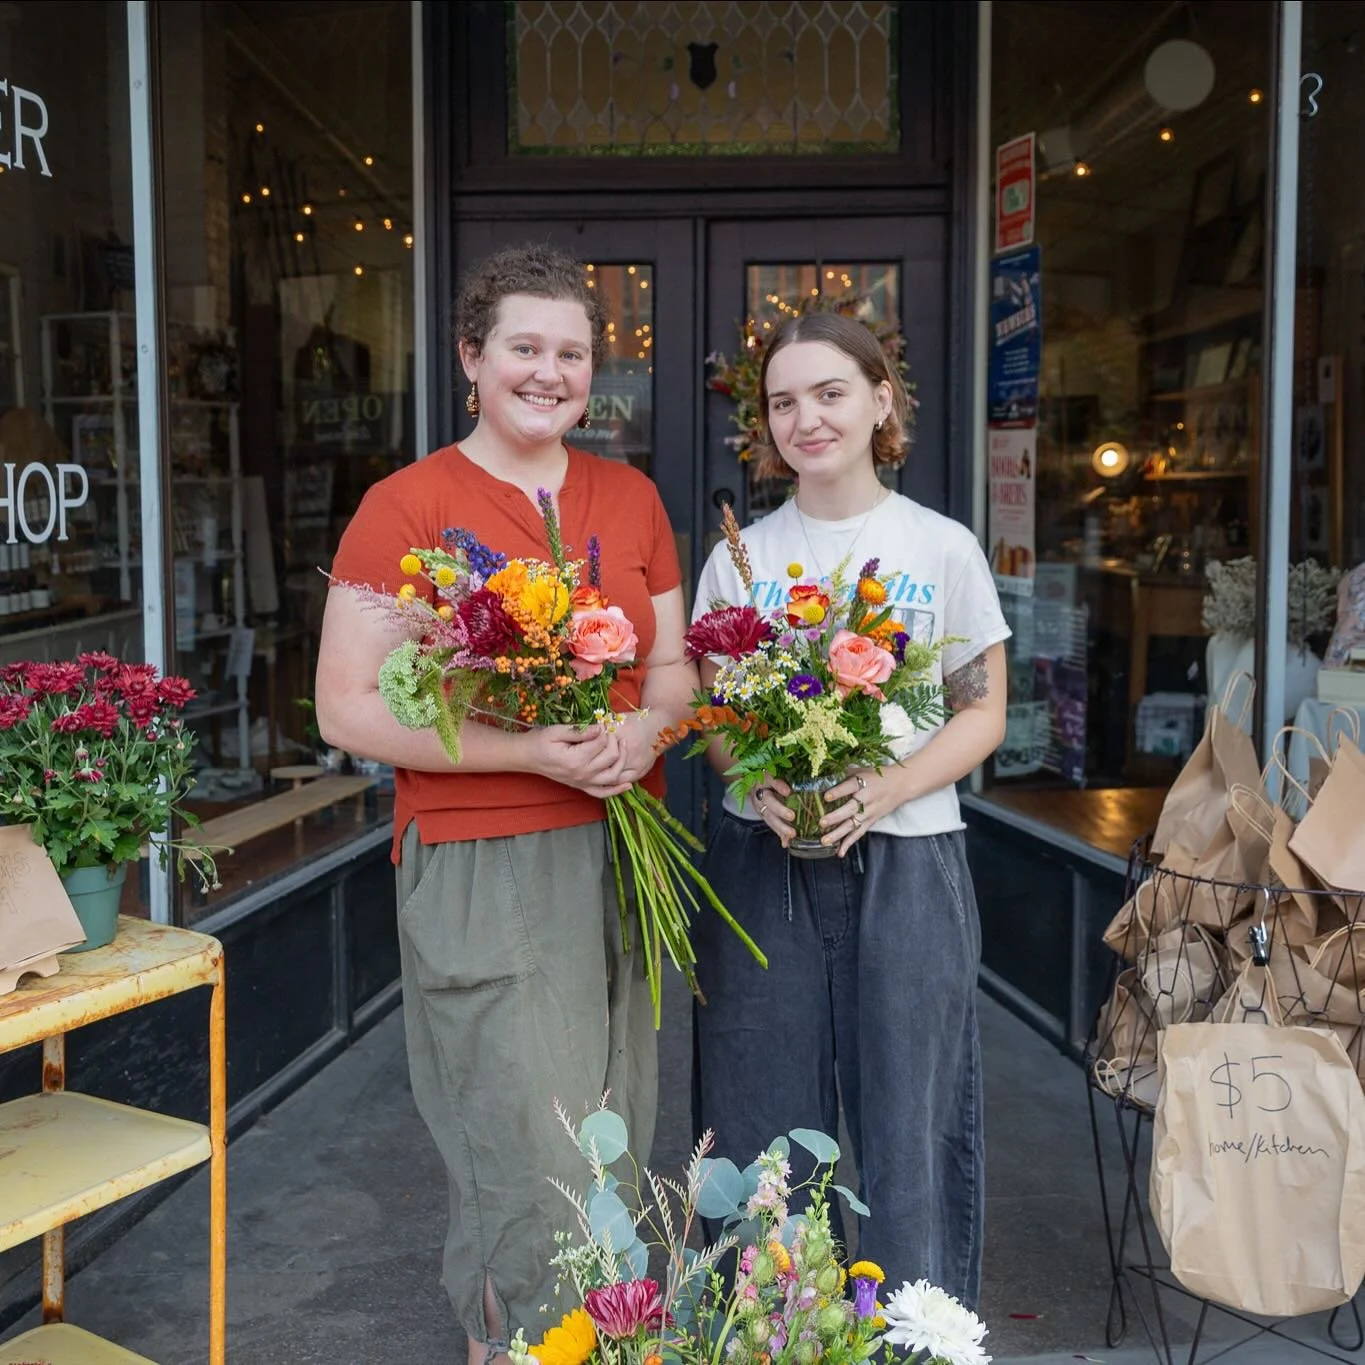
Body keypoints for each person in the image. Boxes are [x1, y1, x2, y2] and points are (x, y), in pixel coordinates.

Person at [315, 243, 696, 1365]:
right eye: (524, 347)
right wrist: (532, 748)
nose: (550, 371)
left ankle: (602, 1343)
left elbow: (672, 669)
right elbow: (345, 710)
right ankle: (521, 1350)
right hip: (486, 860)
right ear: (472, 358)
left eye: (572, 352)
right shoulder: (407, 504)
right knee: (526, 1145)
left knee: (617, 1136)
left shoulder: (629, 498)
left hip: (625, 847)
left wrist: (643, 729)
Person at [690, 311, 1009, 1308]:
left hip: (909, 861)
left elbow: (983, 708)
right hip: (762, 862)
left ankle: (919, 1330)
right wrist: (758, 781)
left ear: (881, 401)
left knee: (911, 1123)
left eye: (830, 393)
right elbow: (715, 713)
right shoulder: (740, 558)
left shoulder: (940, 547)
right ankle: (775, 1329)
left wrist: (890, 786)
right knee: (759, 1126)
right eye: (784, 401)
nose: (807, 418)